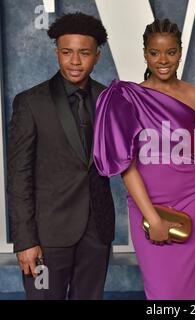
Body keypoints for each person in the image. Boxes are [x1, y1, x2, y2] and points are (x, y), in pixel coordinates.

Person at [93, 18, 195, 300]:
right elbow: (125, 165)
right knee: (162, 293)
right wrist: (152, 216)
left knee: (190, 292)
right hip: (148, 205)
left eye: (170, 52)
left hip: (190, 202)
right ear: (145, 53)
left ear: (180, 52)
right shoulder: (127, 97)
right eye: (155, 53)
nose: (163, 60)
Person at [7, 12, 115, 299]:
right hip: (46, 237)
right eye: (67, 52)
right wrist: (25, 241)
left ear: (97, 56)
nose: (75, 61)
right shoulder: (31, 103)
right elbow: (18, 177)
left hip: (97, 234)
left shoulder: (109, 100)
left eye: (84, 53)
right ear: (57, 53)